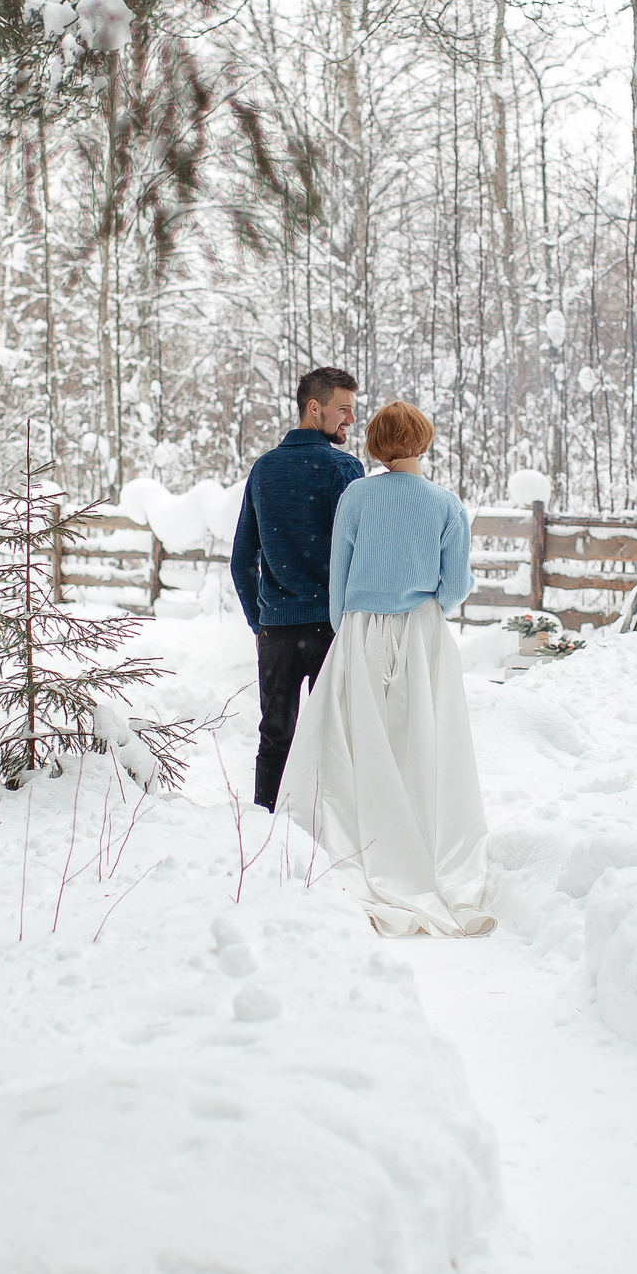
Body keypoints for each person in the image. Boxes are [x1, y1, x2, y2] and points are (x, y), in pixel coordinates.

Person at [276, 401, 493, 937]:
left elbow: (339, 571)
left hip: (360, 631)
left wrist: (347, 626)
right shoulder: (446, 505)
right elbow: (456, 587)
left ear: (374, 444)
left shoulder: (357, 496)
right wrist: (420, 604)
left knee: (357, 743)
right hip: (421, 634)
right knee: (422, 740)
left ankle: (364, 844)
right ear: (424, 440)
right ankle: (423, 843)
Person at [230, 367, 363, 810]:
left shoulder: (264, 469)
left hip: (278, 633)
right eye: (343, 409)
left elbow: (241, 559)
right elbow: (356, 554)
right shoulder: (343, 468)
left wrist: (261, 619)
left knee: (275, 739)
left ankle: (265, 826)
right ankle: (328, 829)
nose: (350, 419)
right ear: (314, 407)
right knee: (336, 740)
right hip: (330, 630)